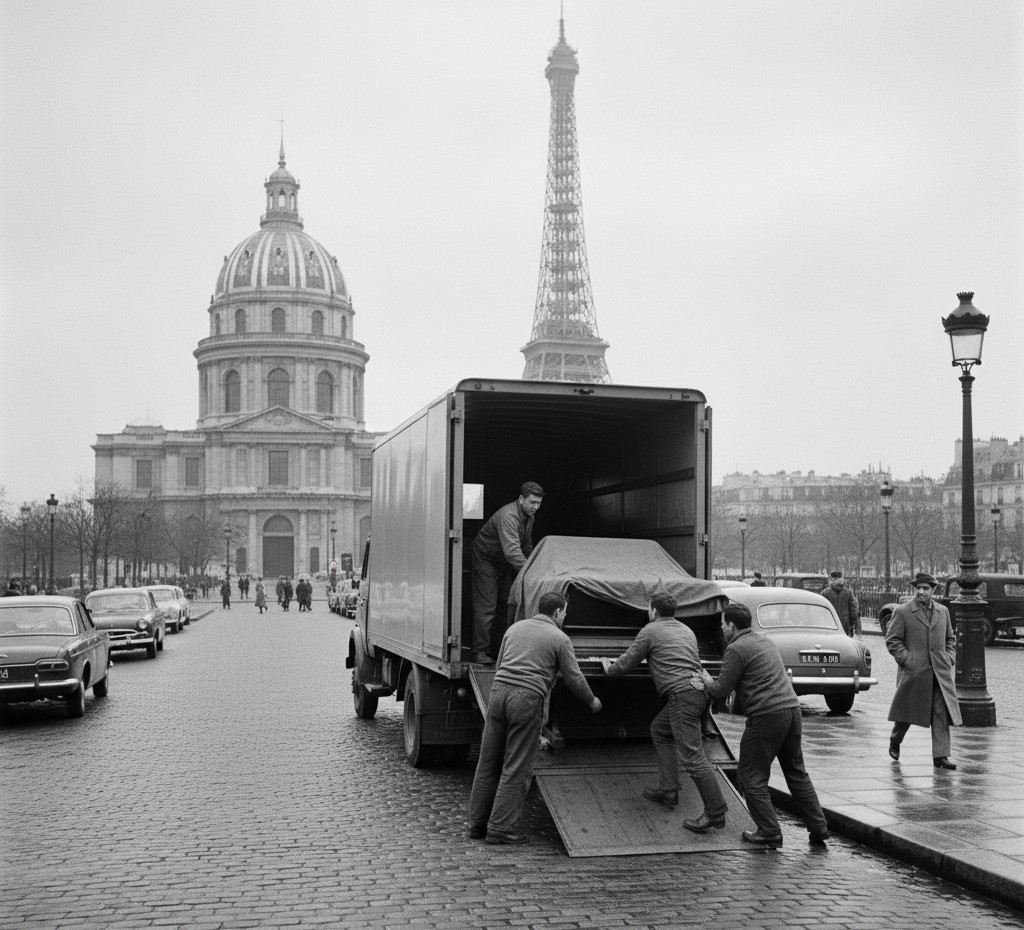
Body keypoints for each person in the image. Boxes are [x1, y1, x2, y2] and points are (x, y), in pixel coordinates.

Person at [468, 591, 601, 844]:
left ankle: (477, 824)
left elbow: (499, 664)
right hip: (526, 699)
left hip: (498, 693)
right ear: (558, 612)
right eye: (565, 612)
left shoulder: (514, 629)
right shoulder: (559, 638)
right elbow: (574, 678)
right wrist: (591, 700)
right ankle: (500, 829)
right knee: (516, 765)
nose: (565, 616)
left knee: (487, 762)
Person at [695, 603, 830, 848]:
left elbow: (721, 689)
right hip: (791, 710)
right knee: (796, 773)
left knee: (750, 776)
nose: (722, 628)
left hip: (767, 716)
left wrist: (706, 680)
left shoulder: (736, 648)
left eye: (723, 624)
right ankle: (819, 828)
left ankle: (769, 830)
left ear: (732, 626)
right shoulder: (765, 641)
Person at [602, 592, 728, 833]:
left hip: (682, 696)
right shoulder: (687, 630)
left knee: (693, 756)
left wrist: (609, 668)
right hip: (696, 693)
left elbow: (626, 664)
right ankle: (668, 789)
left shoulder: (650, 630)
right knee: (660, 730)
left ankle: (715, 812)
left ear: (652, 611)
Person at [885, 571, 961, 770]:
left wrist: (949, 658)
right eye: (918, 588)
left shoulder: (943, 611)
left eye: (925, 589)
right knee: (907, 712)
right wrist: (908, 660)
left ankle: (941, 756)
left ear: (933, 590)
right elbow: (892, 640)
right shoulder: (903, 611)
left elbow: (950, 639)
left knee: (940, 712)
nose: (921, 592)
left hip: (939, 672)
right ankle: (895, 739)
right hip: (915, 673)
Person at [470, 481, 544, 665]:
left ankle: (500, 650)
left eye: (539, 503)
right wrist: (532, 574)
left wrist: (535, 566)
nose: (536, 507)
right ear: (521, 499)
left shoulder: (529, 516)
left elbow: (525, 546)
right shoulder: (509, 517)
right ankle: (480, 651)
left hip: (503, 562)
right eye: (532, 502)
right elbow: (513, 552)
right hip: (486, 559)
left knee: (508, 603)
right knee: (487, 606)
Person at [820, 571, 860, 637]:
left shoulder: (825, 593)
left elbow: (821, 611)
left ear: (831, 579)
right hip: (845, 625)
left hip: (830, 625)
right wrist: (852, 623)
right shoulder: (848, 592)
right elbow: (854, 610)